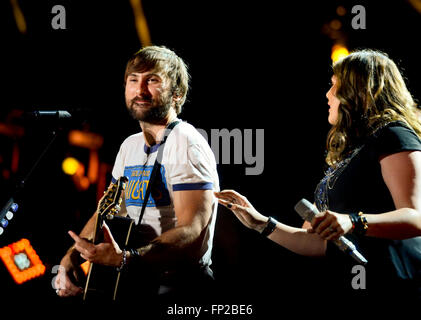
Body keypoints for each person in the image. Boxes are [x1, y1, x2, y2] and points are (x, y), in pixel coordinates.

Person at [215, 49, 421, 306]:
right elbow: (319, 244)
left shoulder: (394, 135)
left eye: (335, 86)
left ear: (359, 90)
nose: (328, 95)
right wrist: (260, 223)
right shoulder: (354, 150)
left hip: (394, 283)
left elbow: (416, 216)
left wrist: (353, 221)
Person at [54, 46, 219, 306]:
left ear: (176, 93)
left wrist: (125, 258)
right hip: (135, 286)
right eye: (133, 80)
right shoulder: (129, 146)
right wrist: (71, 257)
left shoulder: (186, 143)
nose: (140, 90)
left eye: (152, 80)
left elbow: (192, 230)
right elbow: (108, 210)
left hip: (182, 293)